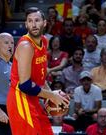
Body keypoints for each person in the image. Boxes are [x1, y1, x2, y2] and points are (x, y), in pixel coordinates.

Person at [7, 7, 69, 135]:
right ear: (26, 24)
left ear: (44, 23)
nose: (33, 24)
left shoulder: (44, 41)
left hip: (33, 99)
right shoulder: (26, 46)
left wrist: (52, 97)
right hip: (20, 99)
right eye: (30, 21)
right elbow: (25, 85)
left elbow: (41, 75)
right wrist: (52, 96)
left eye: (37, 20)